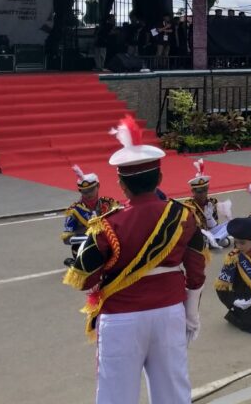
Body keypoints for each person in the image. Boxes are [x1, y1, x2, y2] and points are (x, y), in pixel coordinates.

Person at [62, 116, 205, 404]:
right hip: (170, 313)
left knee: (117, 394)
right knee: (174, 392)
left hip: (121, 319)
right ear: (160, 179)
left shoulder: (106, 225)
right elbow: (197, 270)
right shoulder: (184, 215)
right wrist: (191, 314)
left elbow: (83, 279)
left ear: (121, 184)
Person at [61, 165, 120, 266]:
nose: (88, 194)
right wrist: (91, 239)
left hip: (108, 244)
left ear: (98, 186)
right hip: (85, 247)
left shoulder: (109, 203)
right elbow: (66, 238)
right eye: (84, 191)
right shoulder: (74, 211)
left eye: (91, 190)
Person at [184, 160, 231, 250]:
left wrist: (209, 219)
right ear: (193, 192)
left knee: (231, 224)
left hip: (211, 232)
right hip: (197, 234)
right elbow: (189, 227)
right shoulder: (188, 205)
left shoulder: (212, 202)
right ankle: (210, 241)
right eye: (199, 191)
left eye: (205, 190)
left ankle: (214, 240)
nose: (203, 194)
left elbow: (215, 226)